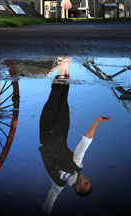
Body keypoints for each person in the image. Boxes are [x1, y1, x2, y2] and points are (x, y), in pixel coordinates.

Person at [39, 57, 111, 214]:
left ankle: (64, 65)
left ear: (77, 188)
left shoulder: (58, 185)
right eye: (88, 182)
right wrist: (96, 122)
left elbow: (48, 206)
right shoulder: (77, 164)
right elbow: (86, 142)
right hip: (62, 128)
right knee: (63, 98)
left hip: (46, 133)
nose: (87, 179)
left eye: (86, 184)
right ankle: (66, 66)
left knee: (53, 99)